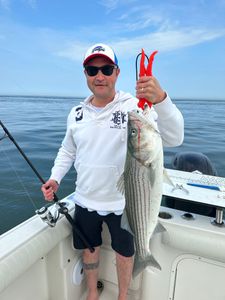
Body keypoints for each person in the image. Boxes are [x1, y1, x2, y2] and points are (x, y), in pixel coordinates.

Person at [41, 43, 184, 300]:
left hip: (125, 203)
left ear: (117, 73)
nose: (100, 76)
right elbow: (67, 150)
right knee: (89, 249)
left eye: (106, 69)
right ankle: (93, 293)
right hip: (85, 198)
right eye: (92, 69)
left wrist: (161, 99)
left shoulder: (134, 107)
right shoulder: (76, 114)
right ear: (85, 74)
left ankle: (123, 296)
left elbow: (174, 137)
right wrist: (55, 177)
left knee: (125, 253)